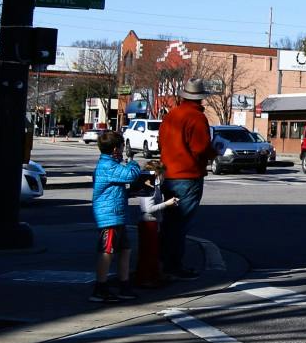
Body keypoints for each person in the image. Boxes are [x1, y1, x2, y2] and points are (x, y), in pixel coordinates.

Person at [158, 79, 217, 279]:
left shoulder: (171, 116)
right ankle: (173, 264)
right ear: (200, 98)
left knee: (169, 222)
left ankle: (162, 260)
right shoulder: (197, 117)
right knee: (180, 224)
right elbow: (200, 148)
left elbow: (162, 144)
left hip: (169, 174)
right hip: (188, 175)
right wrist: (213, 153)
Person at [89, 130, 150, 303]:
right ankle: (100, 288)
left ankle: (124, 285)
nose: (124, 150)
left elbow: (117, 186)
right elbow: (130, 175)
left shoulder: (110, 165)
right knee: (107, 250)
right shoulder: (107, 166)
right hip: (109, 216)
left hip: (118, 215)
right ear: (116, 148)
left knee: (125, 249)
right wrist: (134, 163)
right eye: (122, 146)